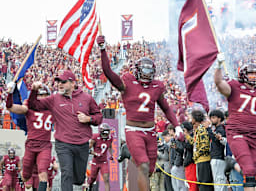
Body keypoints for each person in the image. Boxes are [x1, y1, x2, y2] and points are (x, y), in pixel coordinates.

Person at [97, 35, 181, 191]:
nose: (147, 73)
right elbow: (108, 72)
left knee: (148, 170)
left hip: (151, 132)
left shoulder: (157, 86)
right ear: (137, 70)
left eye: (150, 70)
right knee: (142, 165)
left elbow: (166, 108)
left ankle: (131, 164)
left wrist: (177, 126)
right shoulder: (127, 81)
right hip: (133, 130)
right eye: (144, 69)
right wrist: (103, 50)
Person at [28, 70, 103, 191]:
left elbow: (99, 117)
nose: (59, 84)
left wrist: (89, 118)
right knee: (66, 173)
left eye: (63, 81)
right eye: (58, 82)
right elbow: (33, 105)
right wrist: (34, 91)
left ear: (73, 83)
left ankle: (76, 179)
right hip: (63, 143)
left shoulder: (87, 98)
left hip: (82, 144)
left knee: (78, 179)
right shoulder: (54, 98)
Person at [214, 55, 256, 190]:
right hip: (238, 132)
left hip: (254, 133)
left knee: (253, 171)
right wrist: (219, 66)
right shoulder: (235, 86)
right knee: (249, 170)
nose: (253, 77)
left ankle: (233, 164)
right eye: (251, 74)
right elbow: (219, 84)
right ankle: (234, 164)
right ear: (243, 75)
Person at [6, 84, 53, 191]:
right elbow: (10, 107)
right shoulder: (28, 107)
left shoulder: (52, 109)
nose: (42, 98)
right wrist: (10, 94)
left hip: (45, 145)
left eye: (45, 95)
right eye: (40, 95)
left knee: (43, 171)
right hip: (31, 145)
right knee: (26, 176)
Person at [185, 110, 214, 191]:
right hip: (199, 160)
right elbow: (195, 143)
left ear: (195, 118)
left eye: (191, 117)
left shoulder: (202, 129)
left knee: (204, 184)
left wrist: (196, 155)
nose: (190, 119)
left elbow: (205, 146)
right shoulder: (197, 130)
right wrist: (187, 136)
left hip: (204, 160)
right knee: (200, 183)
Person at [87, 123, 113, 191]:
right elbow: (87, 149)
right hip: (95, 162)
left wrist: (111, 154)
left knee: (106, 179)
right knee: (92, 178)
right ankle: (89, 186)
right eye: (104, 133)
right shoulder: (95, 137)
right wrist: (95, 153)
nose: (106, 135)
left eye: (107, 133)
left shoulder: (110, 138)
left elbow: (110, 146)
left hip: (104, 162)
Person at [207, 109, 227, 191]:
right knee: (219, 182)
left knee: (219, 182)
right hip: (216, 157)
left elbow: (217, 139)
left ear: (219, 118)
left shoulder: (220, 129)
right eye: (211, 118)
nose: (212, 120)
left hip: (218, 158)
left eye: (213, 117)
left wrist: (208, 129)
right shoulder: (216, 129)